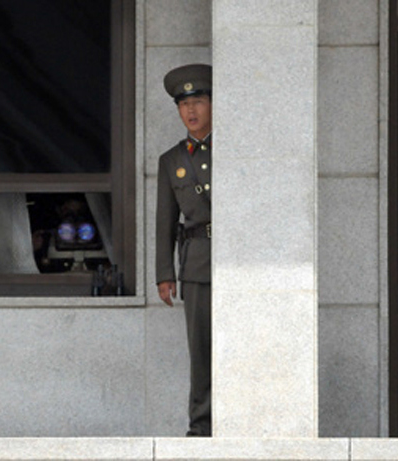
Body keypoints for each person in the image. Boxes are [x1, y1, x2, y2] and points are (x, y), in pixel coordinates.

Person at [156, 63, 212, 437]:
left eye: (198, 101)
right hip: (195, 265)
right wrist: (165, 273)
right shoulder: (172, 160)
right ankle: (202, 426)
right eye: (183, 104)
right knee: (201, 351)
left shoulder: (237, 150)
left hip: (237, 262)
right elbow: (165, 220)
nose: (190, 111)